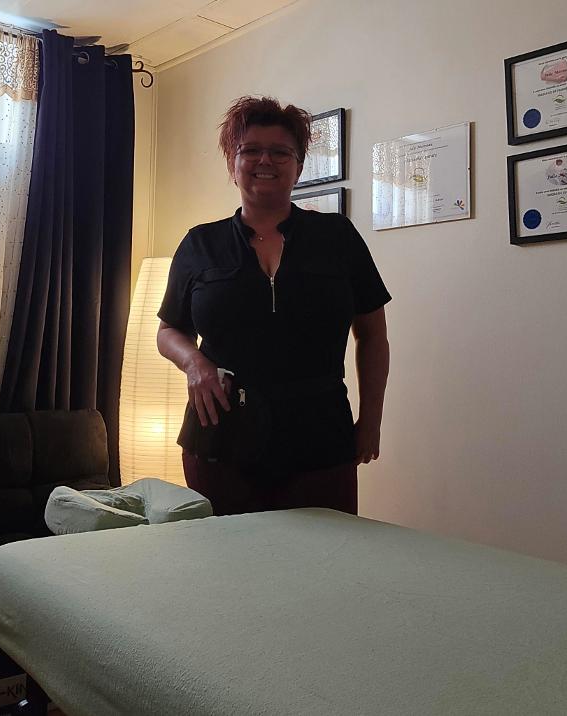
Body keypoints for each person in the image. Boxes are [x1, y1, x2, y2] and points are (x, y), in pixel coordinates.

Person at [157, 96, 391, 516]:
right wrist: (193, 362)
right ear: (233, 164)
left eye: (281, 152)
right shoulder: (200, 243)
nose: (265, 160)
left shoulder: (337, 237)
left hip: (320, 438)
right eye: (250, 150)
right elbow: (169, 330)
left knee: (328, 553)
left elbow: (373, 335)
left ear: (298, 167)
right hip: (220, 438)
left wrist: (371, 421)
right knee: (226, 555)